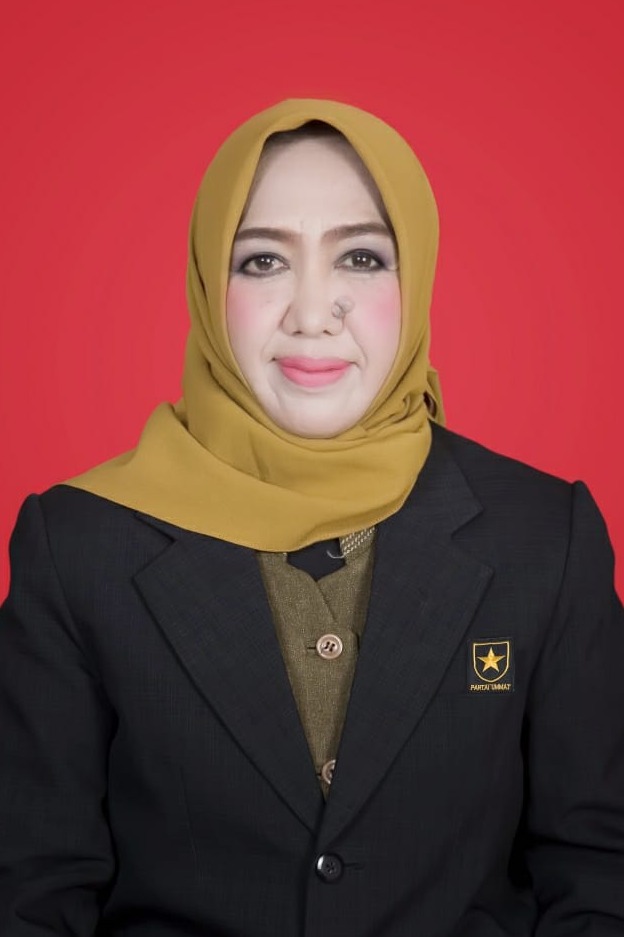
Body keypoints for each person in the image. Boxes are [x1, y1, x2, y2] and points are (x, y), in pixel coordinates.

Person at [0, 98, 623, 937]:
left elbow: (599, 870)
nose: (312, 310)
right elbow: (32, 892)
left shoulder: (544, 536)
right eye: (262, 261)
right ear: (208, 284)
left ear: (417, 279)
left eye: (361, 257)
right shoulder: (78, 545)